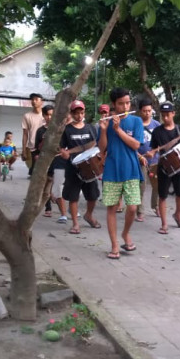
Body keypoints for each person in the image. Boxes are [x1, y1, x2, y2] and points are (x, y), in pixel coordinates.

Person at [98, 88, 144, 258]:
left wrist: (118, 130)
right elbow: (102, 149)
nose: (125, 106)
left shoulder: (136, 121)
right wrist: (103, 130)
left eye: (127, 102)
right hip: (111, 170)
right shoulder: (106, 122)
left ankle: (125, 233)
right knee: (111, 208)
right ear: (113, 105)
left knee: (132, 207)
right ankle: (115, 245)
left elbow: (136, 145)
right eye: (121, 103)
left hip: (131, 170)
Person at [59, 100, 101, 234]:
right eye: (76, 113)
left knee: (93, 196)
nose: (79, 116)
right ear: (71, 114)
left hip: (90, 167)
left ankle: (89, 215)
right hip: (73, 168)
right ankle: (75, 224)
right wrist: (64, 153)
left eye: (81, 113)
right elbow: (62, 147)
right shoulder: (67, 129)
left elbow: (95, 144)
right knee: (73, 197)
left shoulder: (90, 128)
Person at [147, 101, 180, 234]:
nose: (165, 118)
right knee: (163, 195)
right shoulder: (157, 131)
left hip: (179, 167)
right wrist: (152, 152)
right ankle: (164, 223)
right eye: (163, 115)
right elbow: (154, 149)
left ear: (173, 114)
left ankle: (178, 214)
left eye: (168, 115)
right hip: (164, 167)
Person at [136, 99, 160, 222]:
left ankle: (156, 206)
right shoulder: (136, 124)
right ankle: (139, 211)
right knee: (141, 186)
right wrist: (140, 156)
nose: (147, 113)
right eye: (144, 111)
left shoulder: (156, 125)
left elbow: (161, 142)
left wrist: (154, 152)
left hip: (155, 160)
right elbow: (131, 144)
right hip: (140, 160)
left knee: (157, 185)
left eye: (149, 111)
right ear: (140, 111)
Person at [35, 104, 55, 216]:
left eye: (52, 115)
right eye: (47, 115)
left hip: (57, 161)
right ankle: (48, 208)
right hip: (45, 162)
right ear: (43, 116)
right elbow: (37, 147)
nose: (49, 117)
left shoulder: (59, 130)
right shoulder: (40, 131)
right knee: (46, 184)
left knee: (56, 184)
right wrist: (37, 156)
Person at [21, 93, 44, 177]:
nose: (34, 101)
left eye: (36, 99)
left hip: (45, 146)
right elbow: (25, 134)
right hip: (32, 147)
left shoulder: (47, 115)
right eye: (32, 100)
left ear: (42, 102)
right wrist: (24, 150)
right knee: (34, 173)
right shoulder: (27, 116)